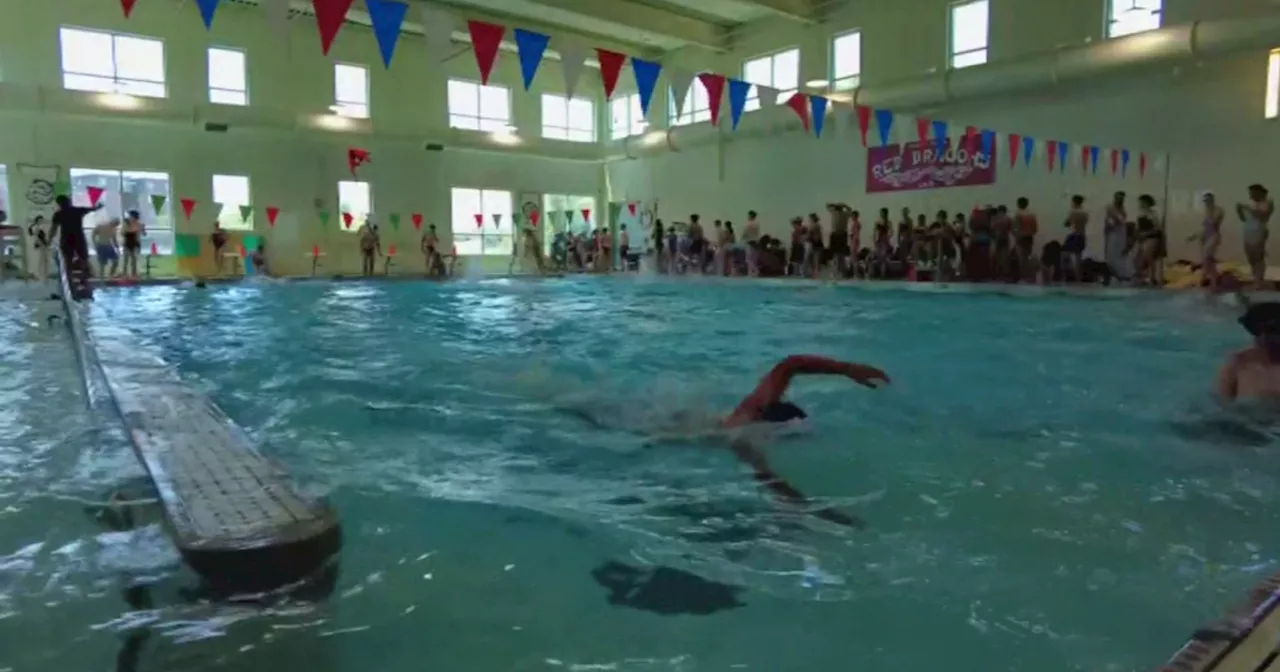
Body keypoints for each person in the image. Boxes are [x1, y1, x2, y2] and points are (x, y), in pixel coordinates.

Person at [1218, 302, 1280, 401]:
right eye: (1258, 332)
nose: (1263, 338)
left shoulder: (1237, 364)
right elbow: (1221, 402)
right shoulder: (1237, 364)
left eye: (1272, 332)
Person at [48, 194, 103, 281]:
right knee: (83, 258)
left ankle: (69, 278)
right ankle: (84, 278)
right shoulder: (77, 210)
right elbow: (91, 209)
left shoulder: (58, 214)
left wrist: (49, 239)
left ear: (59, 204)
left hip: (66, 239)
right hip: (78, 237)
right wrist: (98, 206)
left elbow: (53, 229)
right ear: (68, 202)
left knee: (68, 259)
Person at [1238, 184, 1274, 289]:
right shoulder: (1253, 205)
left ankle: (1259, 281)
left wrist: (1247, 208)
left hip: (1258, 232)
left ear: (1259, 192)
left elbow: (1262, 216)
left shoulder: (1267, 202)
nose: (1251, 196)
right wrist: (1239, 211)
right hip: (1248, 232)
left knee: (1258, 257)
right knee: (1251, 258)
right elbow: (1244, 219)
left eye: (1252, 193)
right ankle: (1256, 280)